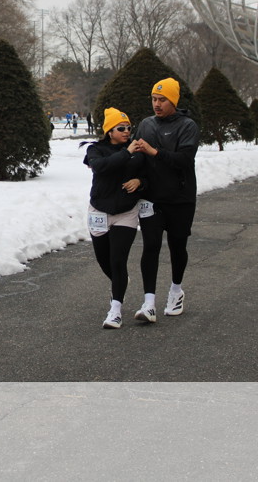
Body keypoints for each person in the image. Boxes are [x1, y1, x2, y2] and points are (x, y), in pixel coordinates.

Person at [130, 78, 199, 322]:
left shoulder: (187, 126)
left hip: (180, 198)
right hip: (151, 198)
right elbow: (136, 157)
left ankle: (176, 291)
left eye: (162, 100)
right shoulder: (146, 124)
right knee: (150, 246)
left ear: (174, 101)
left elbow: (184, 160)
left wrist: (155, 152)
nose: (157, 104)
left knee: (177, 246)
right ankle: (149, 303)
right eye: (154, 99)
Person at [83, 108, 146, 329]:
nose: (127, 131)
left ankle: (115, 310)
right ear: (109, 131)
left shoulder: (137, 150)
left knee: (118, 260)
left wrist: (140, 182)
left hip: (126, 212)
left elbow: (149, 173)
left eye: (129, 127)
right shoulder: (95, 149)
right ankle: (120, 282)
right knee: (104, 260)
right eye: (121, 128)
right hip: (99, 210)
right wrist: (127, 152)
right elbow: (101, 167)